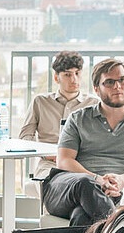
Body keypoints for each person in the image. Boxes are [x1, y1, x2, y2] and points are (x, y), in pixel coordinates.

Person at [43, 58, 124, 226]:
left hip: (110, 193)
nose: (117, 86)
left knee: (82, 215)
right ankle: (116, 231)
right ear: (96, 89)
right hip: (68, 188)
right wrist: (97, 179)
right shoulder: (78, 118)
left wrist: (122, 180)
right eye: (109, 82)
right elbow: (64, 161)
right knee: (85, 183)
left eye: (122, 80)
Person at [18, 50, 98, 181]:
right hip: (49, 166)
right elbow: (25, 137)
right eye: (67, 75)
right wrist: (47, 154)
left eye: (77, 73)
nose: (74, 79)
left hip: (83, 166)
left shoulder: (94, 104)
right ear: (56, 78)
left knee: (85, 182)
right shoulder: (40, 102)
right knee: (63, 182)